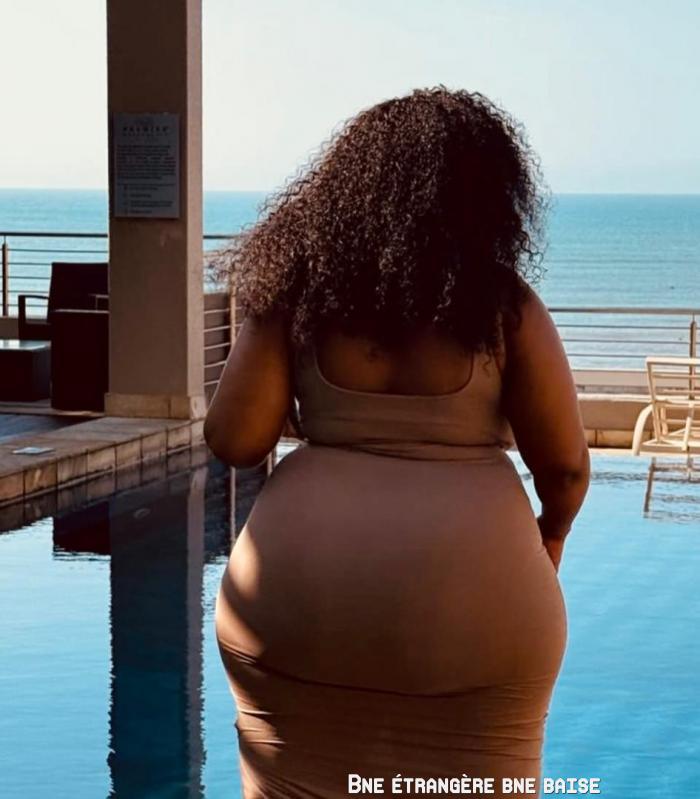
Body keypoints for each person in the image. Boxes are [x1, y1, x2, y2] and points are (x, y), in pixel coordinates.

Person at [205, 86, 590, 799]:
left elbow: (235, 437)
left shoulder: (298, 294)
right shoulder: (506, 307)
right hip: (479, 614)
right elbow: (564, 468)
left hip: (295, 605)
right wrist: (552, 537)